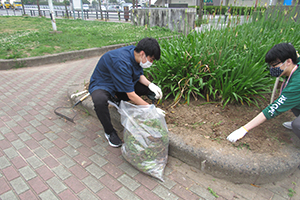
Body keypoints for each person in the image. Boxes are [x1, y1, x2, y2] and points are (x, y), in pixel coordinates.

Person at [89, 37, 164, 148]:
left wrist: (150, 85)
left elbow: (139, 75)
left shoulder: (135, 53)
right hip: (104, 83)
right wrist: (151, 109)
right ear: (143, 54)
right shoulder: (121, 62)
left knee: (144, 88)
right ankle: (109, 132)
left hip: (119, 80)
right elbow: (131, 96)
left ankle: (116, 98)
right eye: (151, 59)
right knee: (99, 100)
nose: (151, 63)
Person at [227, 43, 300, 143]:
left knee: (297, 125)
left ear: (288, 61)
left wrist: (244, 129)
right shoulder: (295, 64)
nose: (272, 69)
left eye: (274, 65)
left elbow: (274, 108)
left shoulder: (296, 84)